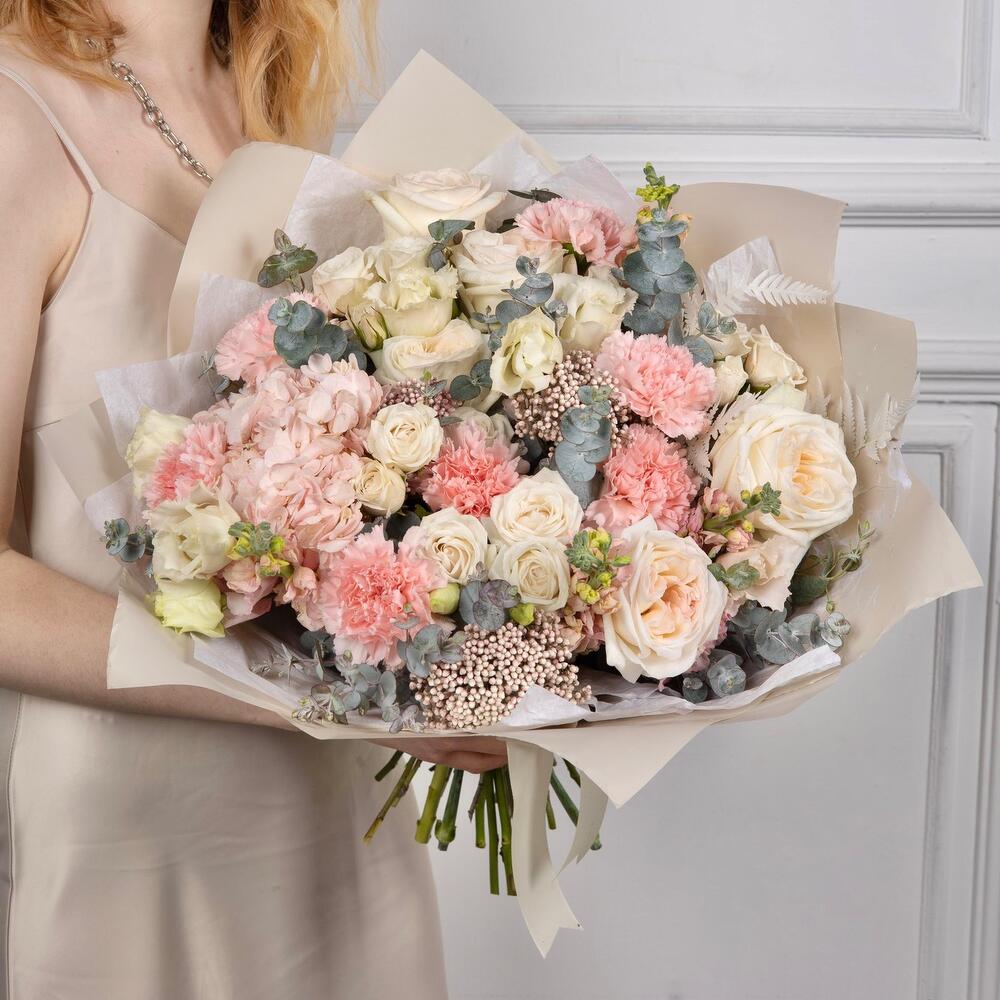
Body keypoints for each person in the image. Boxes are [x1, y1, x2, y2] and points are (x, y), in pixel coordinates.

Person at [0, 2, 505, 996]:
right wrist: (314, 698)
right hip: (134, 846)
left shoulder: (271, 108)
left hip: (341, 814)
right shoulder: (15, 119)